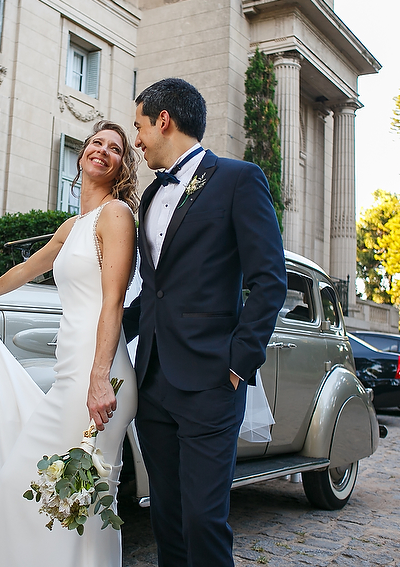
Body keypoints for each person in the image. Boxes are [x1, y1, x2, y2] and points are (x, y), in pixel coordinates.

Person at [0, 120, 140, 567]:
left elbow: (113, 302)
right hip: (69, 377)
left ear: (120, 168)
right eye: (96, 142)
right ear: (81, 154)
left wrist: (98, 380)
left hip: (101, 379)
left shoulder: (116, 215)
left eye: (114, 149)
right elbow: (29, 267)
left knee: (80, 502)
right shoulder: (74, 225)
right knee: (56, 495)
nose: (102, 150)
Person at [123, 78, 287, 567]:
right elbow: (154, 292)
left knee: (204, 520)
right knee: (166, 521)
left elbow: (269, 281)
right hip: (152, 381)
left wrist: (238, 363)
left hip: (211, 382)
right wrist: (105, 336)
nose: (137, 140)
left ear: (164, 121)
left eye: (139, 127)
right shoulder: (150, 196)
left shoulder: (239, 178)